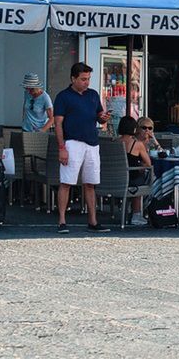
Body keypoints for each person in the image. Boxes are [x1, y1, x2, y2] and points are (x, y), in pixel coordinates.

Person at [53, 62, 111, 234]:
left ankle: (93, 221)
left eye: (88, 79)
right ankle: (62, 221)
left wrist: (103, 118)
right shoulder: (63, 96)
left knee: (91, 183)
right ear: (73, 78)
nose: (87, 82)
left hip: (92, 143)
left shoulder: (92, 95)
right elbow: (58, 123)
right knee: (66, 182)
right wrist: (62, 147)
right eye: (83, 79)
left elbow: (99, 118)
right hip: (72, 142)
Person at [118, 116, 152, 226]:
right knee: (142, 177)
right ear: (134, 129)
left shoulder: (114, 142)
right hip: (131, 179)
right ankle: (136, 214)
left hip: (116, 178)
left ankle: (129, 209)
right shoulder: (137, 144)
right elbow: (148, 163)